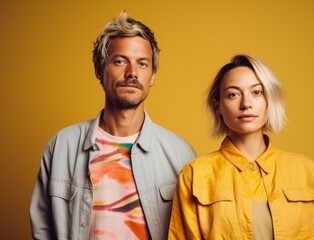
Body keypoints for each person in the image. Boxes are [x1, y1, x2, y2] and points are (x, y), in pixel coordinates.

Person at [30, 11, 195, 240]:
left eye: (143, 64)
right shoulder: (61, 147)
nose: (132, 73)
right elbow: (42, 230)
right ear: (99, 70)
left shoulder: (181, 154)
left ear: (153, 75)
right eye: (120, 61)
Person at [168, 54, 314, 239]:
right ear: (218, 107)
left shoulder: (307, 171)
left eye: (257, 92)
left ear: (269, 100)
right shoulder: (194, 175)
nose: (246, 104)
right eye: (233, 94)